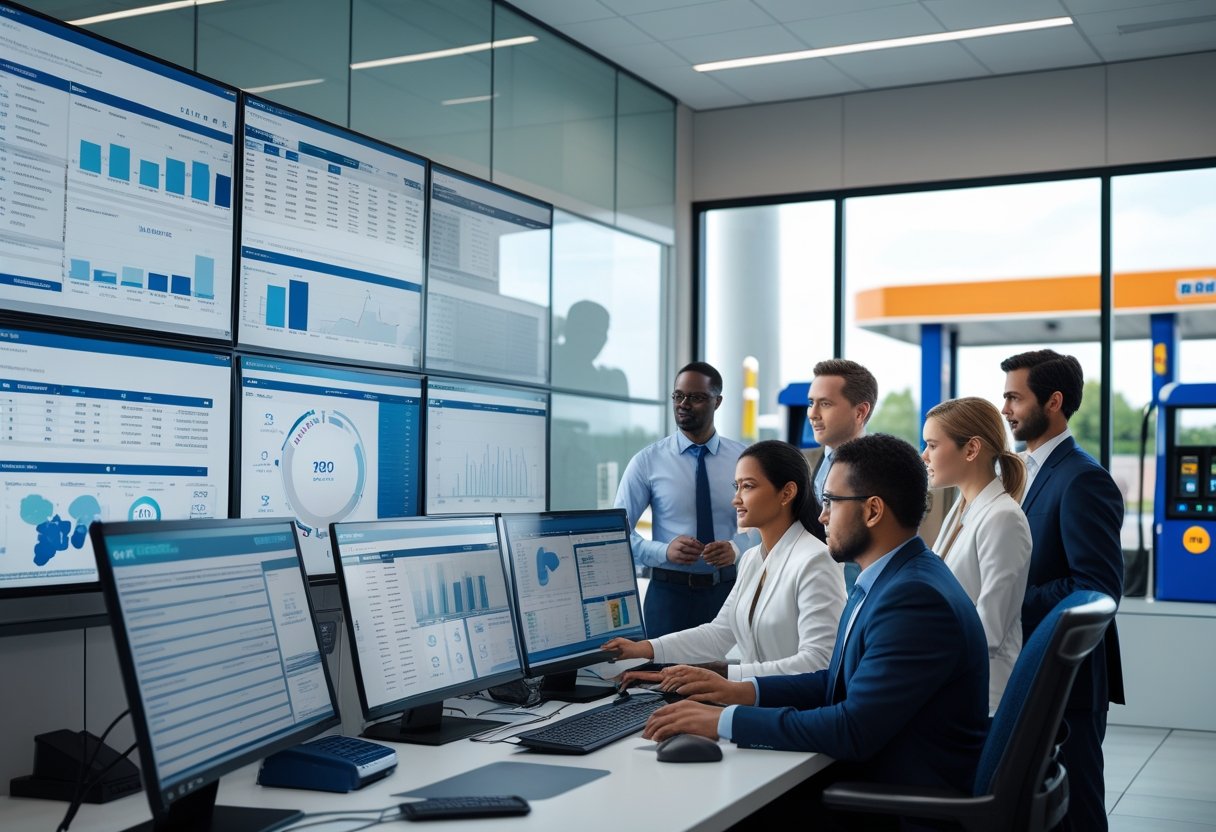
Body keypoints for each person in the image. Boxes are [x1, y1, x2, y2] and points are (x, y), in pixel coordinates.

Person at [642, 434, 988, 815]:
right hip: (875, 777)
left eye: (831, 502)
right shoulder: (892, 579)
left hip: (900, 803)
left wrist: (725, 721)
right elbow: (835, 682)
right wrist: (738, 691)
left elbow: (851, 729)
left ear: (873, 511)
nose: (821, 515)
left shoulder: (915, 599)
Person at [603, 440, 845, 693]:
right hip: (755, 706)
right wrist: (644, 649)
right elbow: (719, 633)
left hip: (791, 712)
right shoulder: (753, 558)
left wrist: (724, 674)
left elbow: (819, 663)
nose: (736, 500)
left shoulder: (817, 560)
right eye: (736, 486)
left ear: (787, 493)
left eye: (748, 486)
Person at [1001, 349, 1125, 832]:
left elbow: (1095, 588)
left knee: (1078, 812)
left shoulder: (1082, 479)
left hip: (1067, 678)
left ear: (1053, 401)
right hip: (1032, 669)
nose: (1006, 408)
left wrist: (1004, 603)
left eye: (1014, 397)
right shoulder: (1023, 473)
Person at [615, 361, 759, 638]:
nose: (684, 404)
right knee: (662, 679)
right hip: (668, 598)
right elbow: (615, 533)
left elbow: (768, 524)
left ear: (717, 402)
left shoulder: (745, 460)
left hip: (728, 594)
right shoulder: (647, 461)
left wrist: (737, 547)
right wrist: (662, 551)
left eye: (696, 397)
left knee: (723, 677)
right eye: (678, 396)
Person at [921, 396, 1032, 714]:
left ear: (971, 449)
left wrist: (915, 656)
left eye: (932, 445)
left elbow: (989, 632)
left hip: (980, 699)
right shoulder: (961, 507)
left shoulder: (1003, 518)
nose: (924, 455)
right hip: (949, 685)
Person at [805, 359, 877, 586]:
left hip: (858, 592)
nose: (813, 414)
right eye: (811, 403)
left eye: (825, 404)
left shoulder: (883, 470)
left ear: (860, 412)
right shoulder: (801, 463)